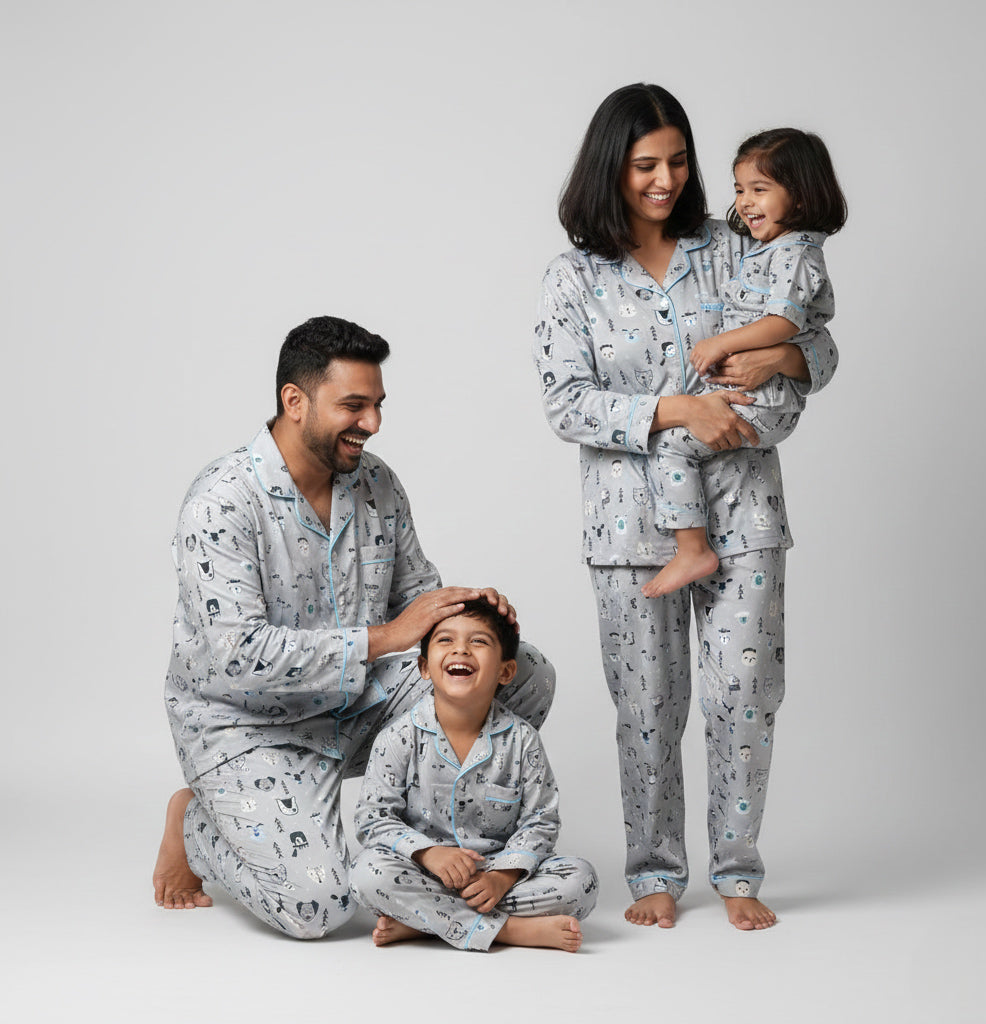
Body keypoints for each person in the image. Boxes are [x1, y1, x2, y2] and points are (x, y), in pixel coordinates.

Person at [534, 84, 837, 931]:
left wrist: (782, 368)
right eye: (644, 165)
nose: (665, 180)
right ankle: (656, 872)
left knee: (745, 691)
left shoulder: (734, 243)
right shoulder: (574, 279)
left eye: (676, 161)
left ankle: (738, 874)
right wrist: (676, 409)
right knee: (649, 703)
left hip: (744, 508)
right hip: (630, 527)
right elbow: (566, 404)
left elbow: (816, 338)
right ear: (611, 170)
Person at [152, 315, 554, 939]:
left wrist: (471, 614)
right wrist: (387, 638)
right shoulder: (221, 501)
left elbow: (416, 595)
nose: (372, 423)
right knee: (320, 909)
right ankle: (193, 827)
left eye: (377, 405)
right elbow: (240, 657)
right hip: (248, 726)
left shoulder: (377, 483)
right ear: (295, 401)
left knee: (521, 674)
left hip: (358, 703)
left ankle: (430, 852)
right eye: (354, 406)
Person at [643, 128, 846, 596]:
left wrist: (738, 348)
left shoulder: (794, 253)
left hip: (763, 403)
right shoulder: (762, 248)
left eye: (760, 189)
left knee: (670, 445)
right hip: (745, 403)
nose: (746, 202)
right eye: (740, 189)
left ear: (800, 196)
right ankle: (692, 547)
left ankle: (692, 550)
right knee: (673, 440)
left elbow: (787, 322)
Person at [349, 598, 598, 952]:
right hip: (423, 871)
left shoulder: (522, 739)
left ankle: (426, 923)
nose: (460, 650)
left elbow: (541, 821)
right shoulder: (398, 737)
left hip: (496, 872)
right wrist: (428, 855)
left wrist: (502, 877)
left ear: (505, 672)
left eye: (478, 641)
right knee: (367, 874)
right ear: (424, 667)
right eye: (445, 640)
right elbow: (373, 818)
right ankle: (509, 931)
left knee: (580, 882)